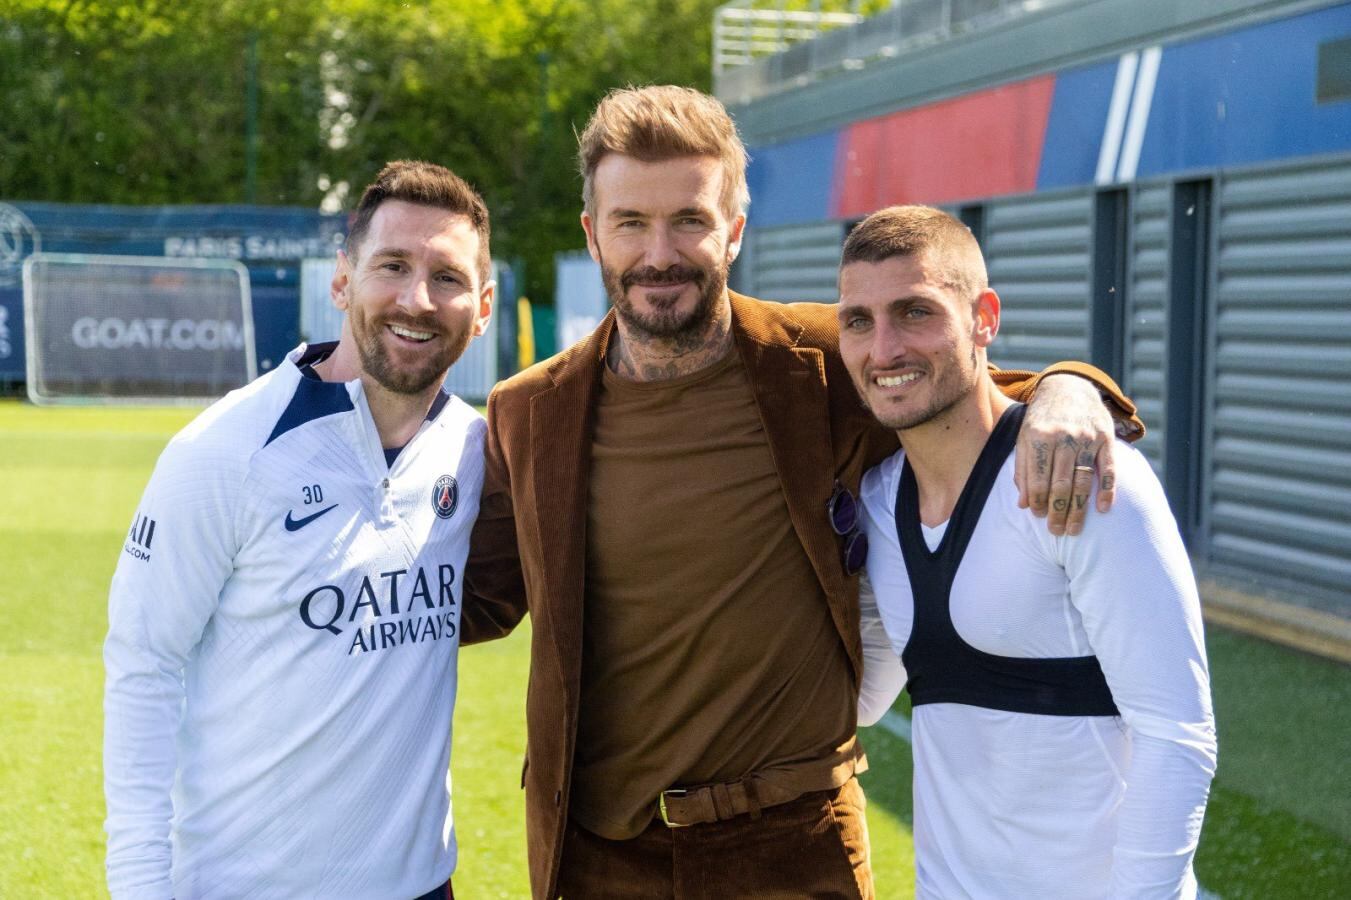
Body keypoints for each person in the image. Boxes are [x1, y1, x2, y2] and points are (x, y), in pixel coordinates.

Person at [461, 85, 1143, 899]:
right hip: (603, 856)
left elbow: (976, 386)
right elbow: (469, 599)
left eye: (689, 220)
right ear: (592, 234)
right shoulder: (528, 411)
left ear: (735, 231)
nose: (658, 254)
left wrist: (1068, 390)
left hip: (792, 845)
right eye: (630, 223)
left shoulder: (821, 362)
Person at [103, 160, 494, 900]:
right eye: (392, 266)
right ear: (342, 282)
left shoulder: (476, 451)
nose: (417, 298)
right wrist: (138, 887)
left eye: (447, 277)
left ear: (481, 306)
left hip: (422, 886)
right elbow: (143, 665)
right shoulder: (223, 451)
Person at [841, 205, 1217, 898]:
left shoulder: (1083, 478)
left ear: (984, 317)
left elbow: (1177, 733)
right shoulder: (875, 505)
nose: (884, 348)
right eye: (858, 321)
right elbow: (862, 701)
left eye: (914, 312)